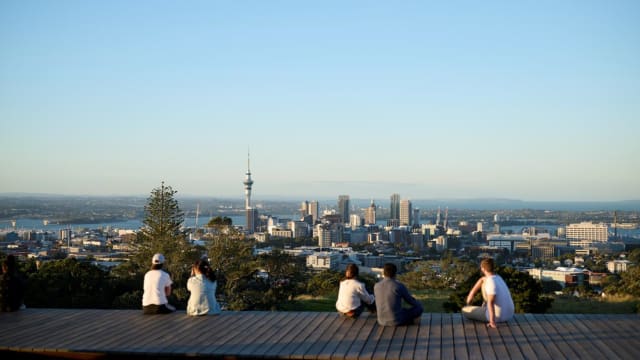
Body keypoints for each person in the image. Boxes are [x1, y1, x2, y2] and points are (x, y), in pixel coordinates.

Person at [462, 257, 514, 328]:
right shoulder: (498, 278)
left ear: (483, 269)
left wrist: (492, 321)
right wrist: (472, 293)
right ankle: (484, 308)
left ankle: (486, 312)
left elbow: (491, 302)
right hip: (509, 314)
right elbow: (483, 279)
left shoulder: (490, 282)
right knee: (483, 282)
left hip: (498, 316)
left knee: (465, 310)